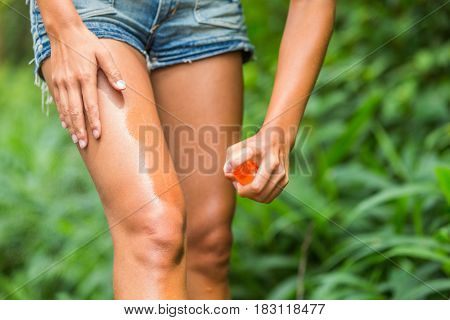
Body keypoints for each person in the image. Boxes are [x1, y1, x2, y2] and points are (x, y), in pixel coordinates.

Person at [28, 0, 335, 299]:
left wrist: (279, 130)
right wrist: (63, 27)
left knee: (210, 244)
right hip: (90, 10)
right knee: (155, 229)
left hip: (204, 11)